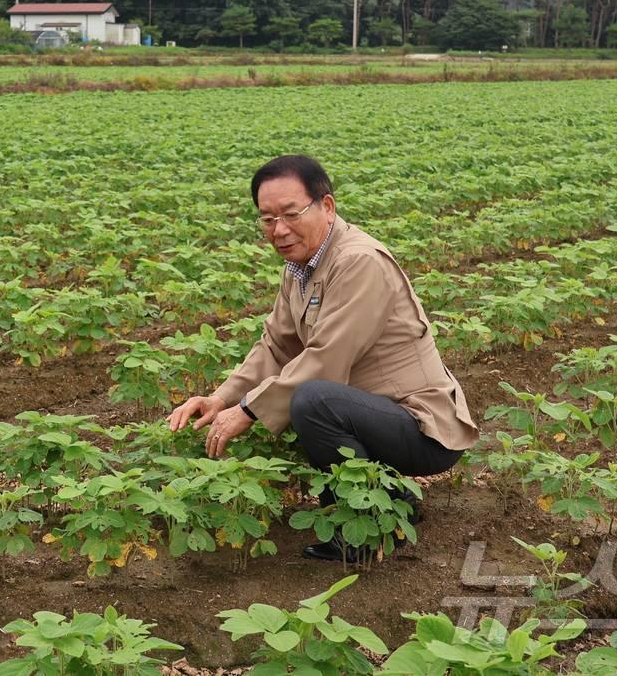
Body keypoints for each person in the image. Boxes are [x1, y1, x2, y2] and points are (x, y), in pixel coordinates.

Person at [166, 154, 479, 562]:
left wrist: (248, 410)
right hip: (374, 414)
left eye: (291, 214)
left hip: (421, 426)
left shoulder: (359, 262)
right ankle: (392, 501)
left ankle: (364, 530)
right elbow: (275, 345)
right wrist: (221, 399)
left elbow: (328, 358)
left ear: (326, 207)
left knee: (311, 400)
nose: (279, 230)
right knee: (303, 399)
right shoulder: (299, 267)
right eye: (266, 219)